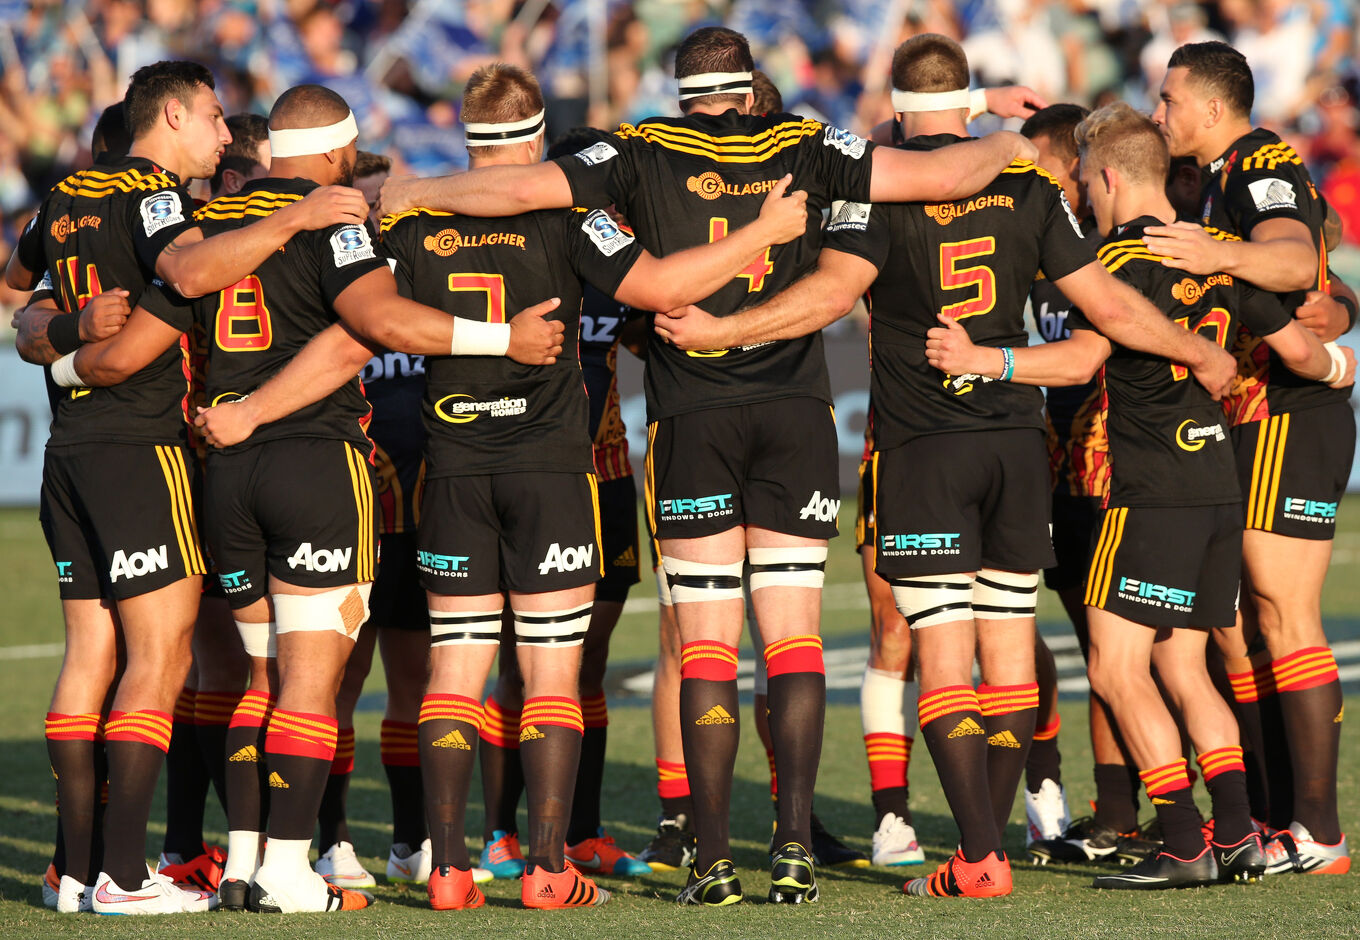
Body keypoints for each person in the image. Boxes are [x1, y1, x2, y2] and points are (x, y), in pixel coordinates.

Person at [379, 24, 1039, 908]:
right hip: (795, 411)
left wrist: (417, 188)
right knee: (794, 636)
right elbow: (944, 175)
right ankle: (795, 849)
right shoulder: (806, 140)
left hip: (689, 417)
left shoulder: (640, 148)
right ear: (752, 83)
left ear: (679, 89)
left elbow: (523, 185)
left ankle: (712, 858)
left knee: (706, 647)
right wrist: (1006, 135)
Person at [652, 33, 1236, 899]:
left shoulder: (874, 186)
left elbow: (831, 295)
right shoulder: (1031, 187)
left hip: (925, 447)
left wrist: (722, 331)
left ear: (896, 107)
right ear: (966, 98)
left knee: (941, 656)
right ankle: (999, 838)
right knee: (1010, 652)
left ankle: (977, 854)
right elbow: (1106, 315)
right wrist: (1200, 351)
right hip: (1015, 442)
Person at [60, 82, 565, 914]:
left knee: (258, 677)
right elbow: (378, 325)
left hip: (226, 473)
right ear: (337, 152)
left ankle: (244, 862)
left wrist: (58, 349)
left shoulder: (206, 228)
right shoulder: (334, 220)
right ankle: (292, 871)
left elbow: (125, 352)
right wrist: (500, 337)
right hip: (314, 465)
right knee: (310, 679)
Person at [926, 100, 1351, 888]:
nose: (1085, 194)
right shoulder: (1216, 252)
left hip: (1152, 488)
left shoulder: (1113, 261)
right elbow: (1301, 345)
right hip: (1220, 483)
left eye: (1087, 181)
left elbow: (1081, 360)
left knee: (1116, 668)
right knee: (1183, 666)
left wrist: (984, 359)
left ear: (1111, 178)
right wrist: (1343, 366)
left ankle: (1184, 842)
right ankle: (1238, 834)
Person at [6, 60, 368, 916]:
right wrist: (298, 215)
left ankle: (73, 872)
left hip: (69, 452)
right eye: (211, 115)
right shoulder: (153, 196)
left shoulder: (61, 198)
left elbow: (18, 297)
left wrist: (64, 335)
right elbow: (193, 273)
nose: (222, 132)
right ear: (172, 115)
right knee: (162, 660)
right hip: (147, 449)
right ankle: (127, 878)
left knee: (90, 658)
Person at [1149, 40, 1355, 875]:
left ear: (1211, 106)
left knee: (1283, 614)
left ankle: (1319, 832)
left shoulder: (1258, 160)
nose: (1160, 112)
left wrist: (1220, 253)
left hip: (1287, 414)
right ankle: (1275, 819)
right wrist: (1341, 301)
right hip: (1247, 414)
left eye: (1169, 99)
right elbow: (1321, 262)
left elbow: (1295, 255)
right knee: (1239, 625)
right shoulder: (1217, 175)